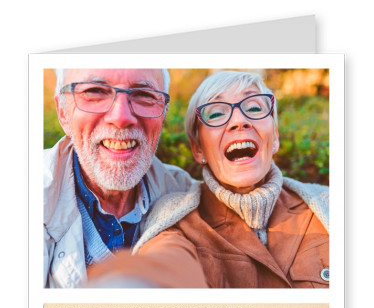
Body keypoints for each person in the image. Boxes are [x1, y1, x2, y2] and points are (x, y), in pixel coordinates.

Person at [87, 70, 329, 288]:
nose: (239, 121)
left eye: (254, 108)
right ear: (198, 149)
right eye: (216, 113)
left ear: (274, 136)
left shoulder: (328, 205)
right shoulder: (176, 221)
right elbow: (165, 263)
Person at [44, 68, 198, 288]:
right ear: (62, 112)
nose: (121, 118)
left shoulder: (187, 196)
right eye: (95, 91)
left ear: (163, 113)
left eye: (144, 95)